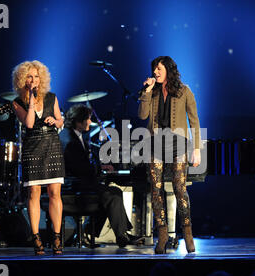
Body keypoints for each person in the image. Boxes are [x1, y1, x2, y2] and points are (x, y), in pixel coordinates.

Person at [138, 56, 202, 254]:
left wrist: (197, 149)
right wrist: (146, 91)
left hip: (179, 144)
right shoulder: (152, 92)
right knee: (155, 189)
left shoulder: (184, 91)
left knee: (179, 188)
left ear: (167, 69)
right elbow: (142, 115)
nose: (155, 72)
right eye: (153, 69)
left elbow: (194, 121)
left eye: (158, 68)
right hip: (156, 143)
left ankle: (188, 233)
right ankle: (163, 234)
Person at [61, 104, 143, 248]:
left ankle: (94, 232)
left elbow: (81, 165)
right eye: (88, 119)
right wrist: (99, 170)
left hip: (80, 182)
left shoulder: (74, 135)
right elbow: (78, 168)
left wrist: (99, 169)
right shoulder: (70, 140)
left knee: (114, 192)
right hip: (74, 186)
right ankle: (121, 236)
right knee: (112, 196)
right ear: (78, 121)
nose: (90, 122)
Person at [12, 60, 65, 255]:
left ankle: (57, 237)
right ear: (22, 80)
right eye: (29, 76)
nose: (33, 80)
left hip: (52, 145)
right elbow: (29, 123)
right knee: (34, 192)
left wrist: (56, 120)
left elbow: (60, 120)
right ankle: (36, 238)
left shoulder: (52, 97)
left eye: (36, 76)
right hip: (32, 147)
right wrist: (32, 99)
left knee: (54, 193)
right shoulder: (17, 102)